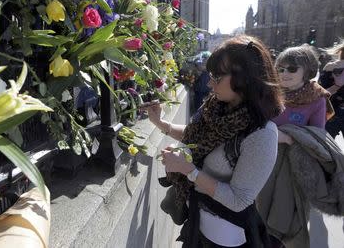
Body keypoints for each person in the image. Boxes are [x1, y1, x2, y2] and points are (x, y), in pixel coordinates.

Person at [143, 35, 283, 247]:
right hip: (196, 222)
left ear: (244, 78)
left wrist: (188, 170)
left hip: (223, 236)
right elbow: (195, 136)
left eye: (217, 77)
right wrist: (161, 124)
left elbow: (239, 200)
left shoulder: (262, 134)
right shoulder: (216, 107)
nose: (209, 83)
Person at [257, 44, 337, 248]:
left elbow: (317, 137)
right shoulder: (269, 92)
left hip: (293, 169)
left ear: (307, 70)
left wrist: (288, 137)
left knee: (286, 222)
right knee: (259, 217)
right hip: (264, 163)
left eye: (292, 69)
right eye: (281, 68)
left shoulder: (317, 98)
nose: (285, 73)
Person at [319, 41, 344, 139]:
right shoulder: (331, 67)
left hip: (332, 112)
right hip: (333, 113)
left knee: (325, 147)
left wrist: (337, 86)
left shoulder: (331, 66)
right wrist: (338, 85)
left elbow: (320, 93)